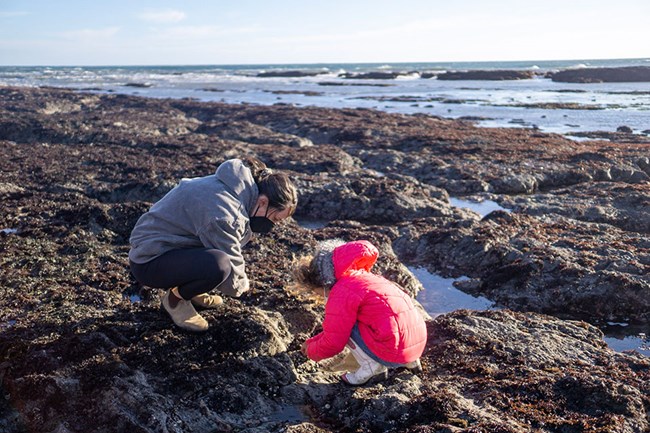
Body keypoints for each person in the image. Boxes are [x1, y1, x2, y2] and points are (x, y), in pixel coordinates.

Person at [129, 157, 298, 332]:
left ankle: (191, 290)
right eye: (274, 219)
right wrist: (244, 288)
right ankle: (175, 300)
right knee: (220, 265)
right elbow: (231, 269)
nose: (272, 226)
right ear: (263, 201)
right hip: (149, 261)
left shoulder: (234, 188)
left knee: (215, 260)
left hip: (165, 247)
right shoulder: (226, 215)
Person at [297, 239, 427, 385]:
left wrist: (311, 352)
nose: (321, 297)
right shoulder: (369, 279)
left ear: (324, 282)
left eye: (318, 292)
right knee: (374, 318)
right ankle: (412, 363)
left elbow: (334, 342)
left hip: (391, 351)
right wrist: (311, 342)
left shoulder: (341, 291)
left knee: (346, 325)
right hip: (416, 346)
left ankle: (372, 368)